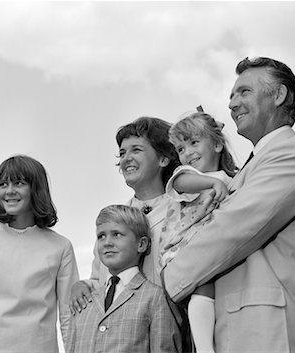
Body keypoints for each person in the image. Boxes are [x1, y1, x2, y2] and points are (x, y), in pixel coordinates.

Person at [162, 57, 295, 352]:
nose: (233, 103)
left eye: (244, 92)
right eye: (231, 96)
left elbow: (233, 229)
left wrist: (167, 279)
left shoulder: (294, 154)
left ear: (278, 96)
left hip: (265, 331)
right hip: (231, 329)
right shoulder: (250, 167)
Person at [0, 155, 80, 353]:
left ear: (36, 189)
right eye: (3, 184)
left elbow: (69, 319)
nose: (9, 191)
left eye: (18, 183)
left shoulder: (60, 247)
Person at [69, 117, 180, 314]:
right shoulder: (112, 223)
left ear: (163, 158)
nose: (126, 158)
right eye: (122, 153)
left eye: (136, 150)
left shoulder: (183, 210)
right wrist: (83, 285)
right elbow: (101, 281)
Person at [159, 110, 238, 353]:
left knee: (215, 294)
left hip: (209, 248)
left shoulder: (232, 177)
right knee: (204, 289)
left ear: (216, 144)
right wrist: (213, 182)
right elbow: (180, 184)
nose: (188, 153)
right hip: (181, 250)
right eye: (181, 149)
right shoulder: (189, 176)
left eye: (194, 142)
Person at [66, 204, 182, 353]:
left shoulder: (155, 298)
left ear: (141, 244)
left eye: (117, 234)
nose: (107, 242)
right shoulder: (83, 301)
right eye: (101, 236)